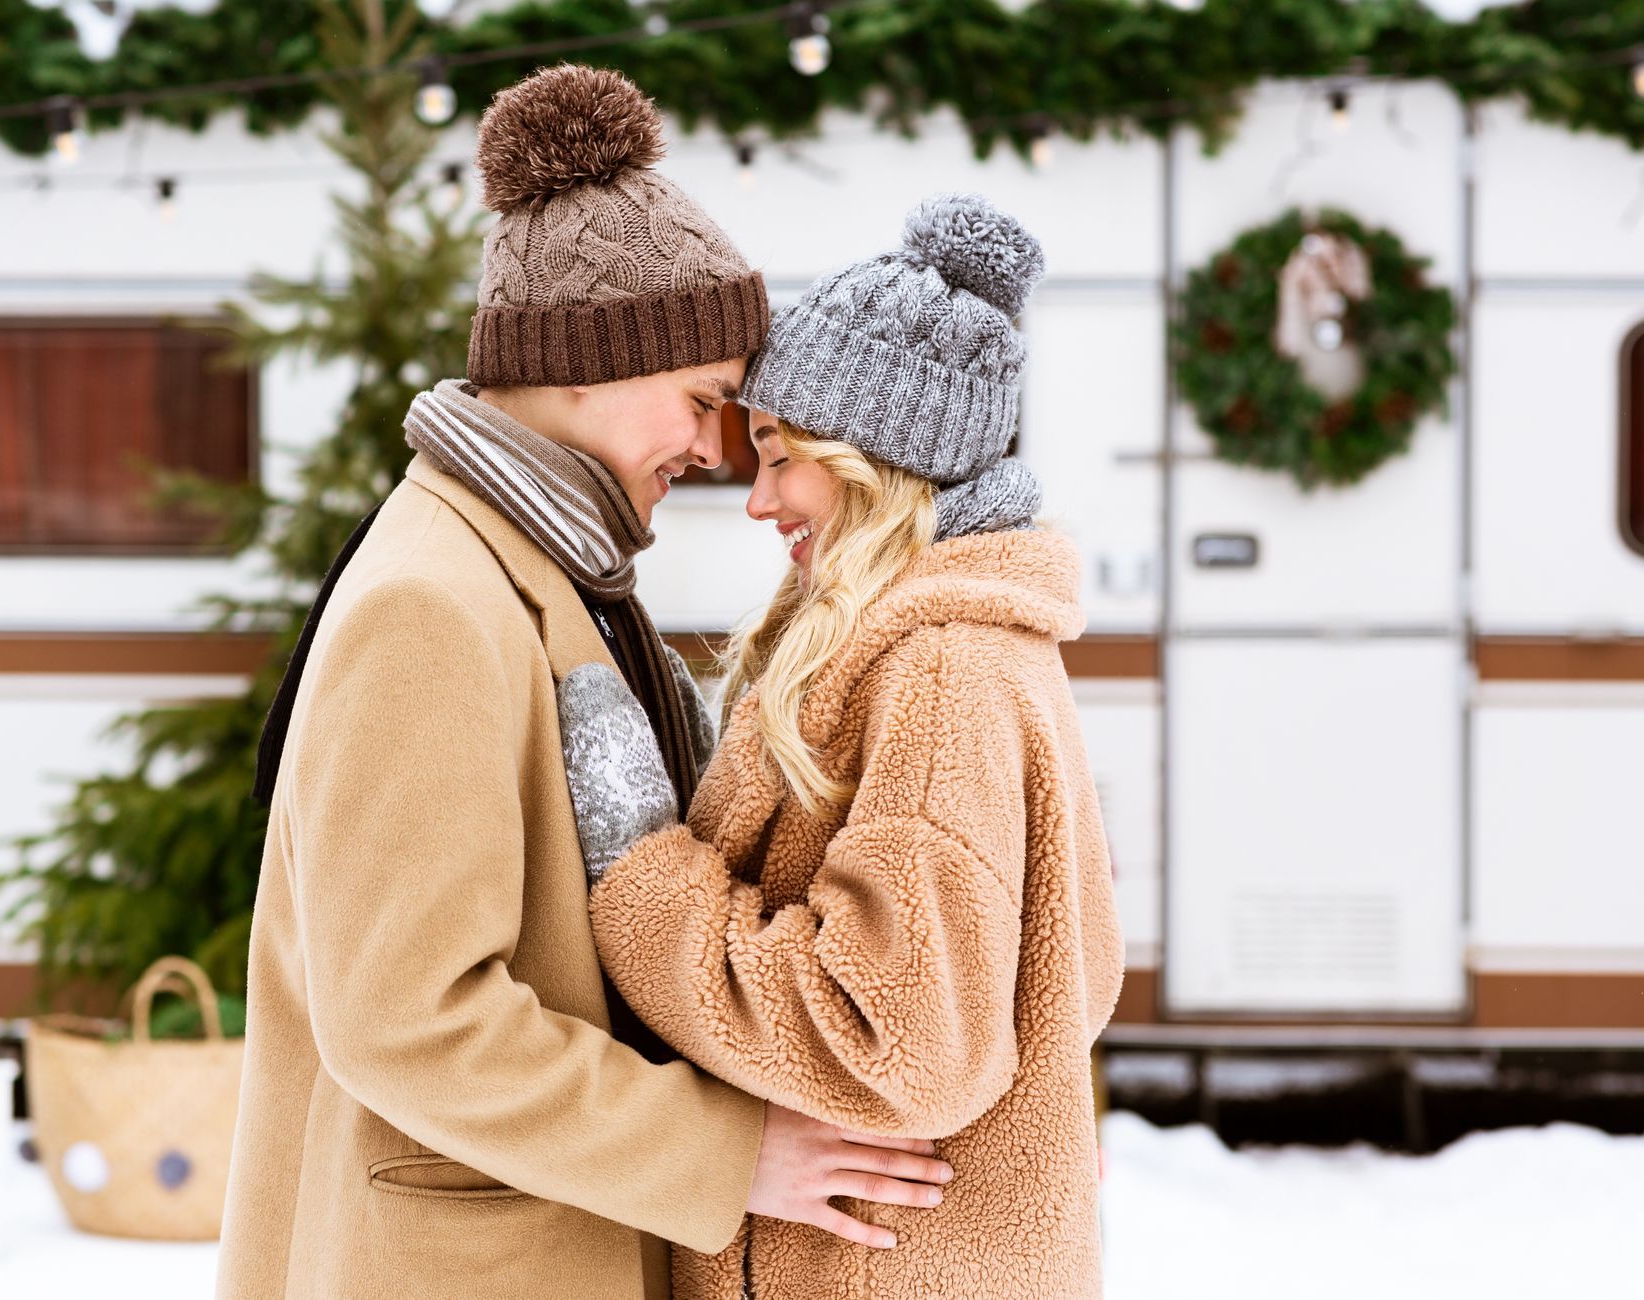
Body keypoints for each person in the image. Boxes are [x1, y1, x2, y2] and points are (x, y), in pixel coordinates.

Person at [216, 66, 951, 1300]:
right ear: (587, 366)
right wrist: (726, 1152)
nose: (720, 450)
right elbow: (409, 1018)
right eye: (703, 399)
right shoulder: (430, 604)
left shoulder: (540, 564)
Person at [558, 194, 1126, 1299]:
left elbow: (897, 1031)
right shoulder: (945, 644)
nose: (760, 499)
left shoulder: (942, 669)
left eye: (780, 455)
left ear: (872, 456)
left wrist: (645, 877)